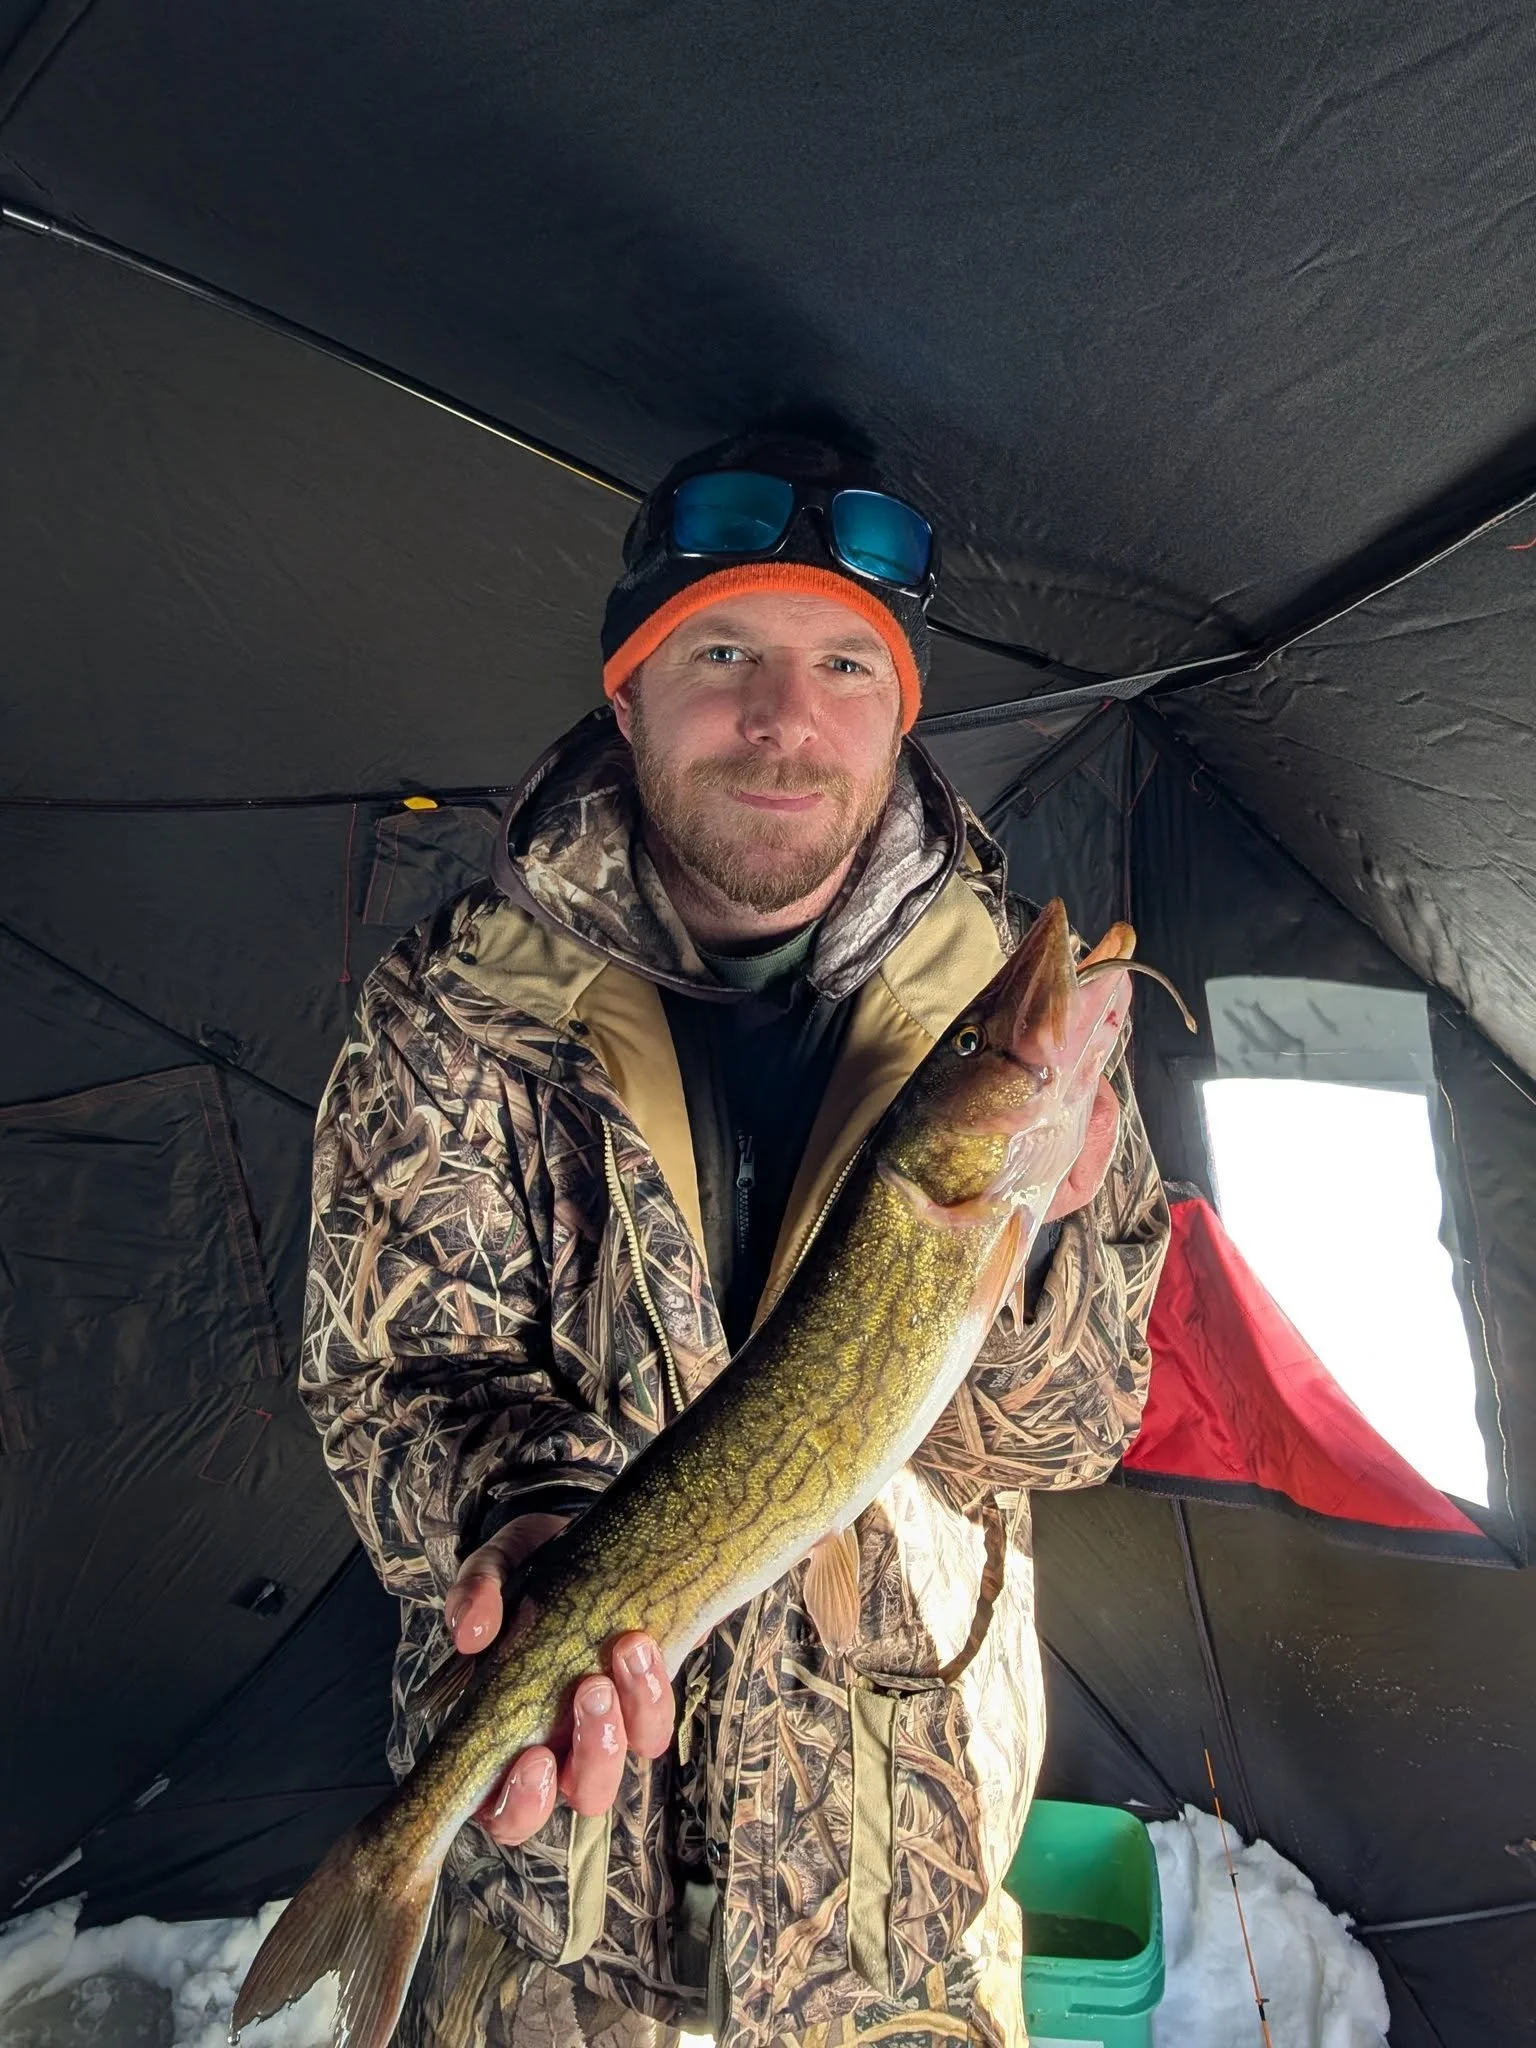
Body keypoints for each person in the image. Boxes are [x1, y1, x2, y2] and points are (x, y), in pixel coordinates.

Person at [301, 431, 1170, 2048]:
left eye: (847, 662)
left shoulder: (1013, 1037)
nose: (787, 721)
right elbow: (393, 1381)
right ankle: (389, 1876)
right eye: (724, 654)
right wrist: (520, 1506)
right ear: (628, 692)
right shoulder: (453, 1011)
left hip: (899, 1934)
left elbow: (1076, 1426)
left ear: (902, 711)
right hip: (550, 1922)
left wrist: (1034, 1259)